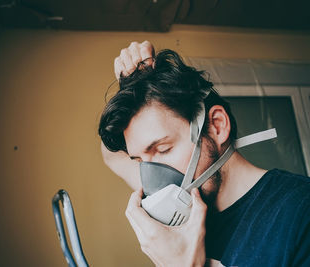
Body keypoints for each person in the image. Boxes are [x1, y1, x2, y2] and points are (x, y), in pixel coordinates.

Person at [98, 41, 310, 267]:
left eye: (163, 149)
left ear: (217, 126)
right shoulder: (184, 198)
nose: (151, 177)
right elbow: (111, 155)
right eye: (140, 160)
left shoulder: (299, 212)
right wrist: (130, 82)